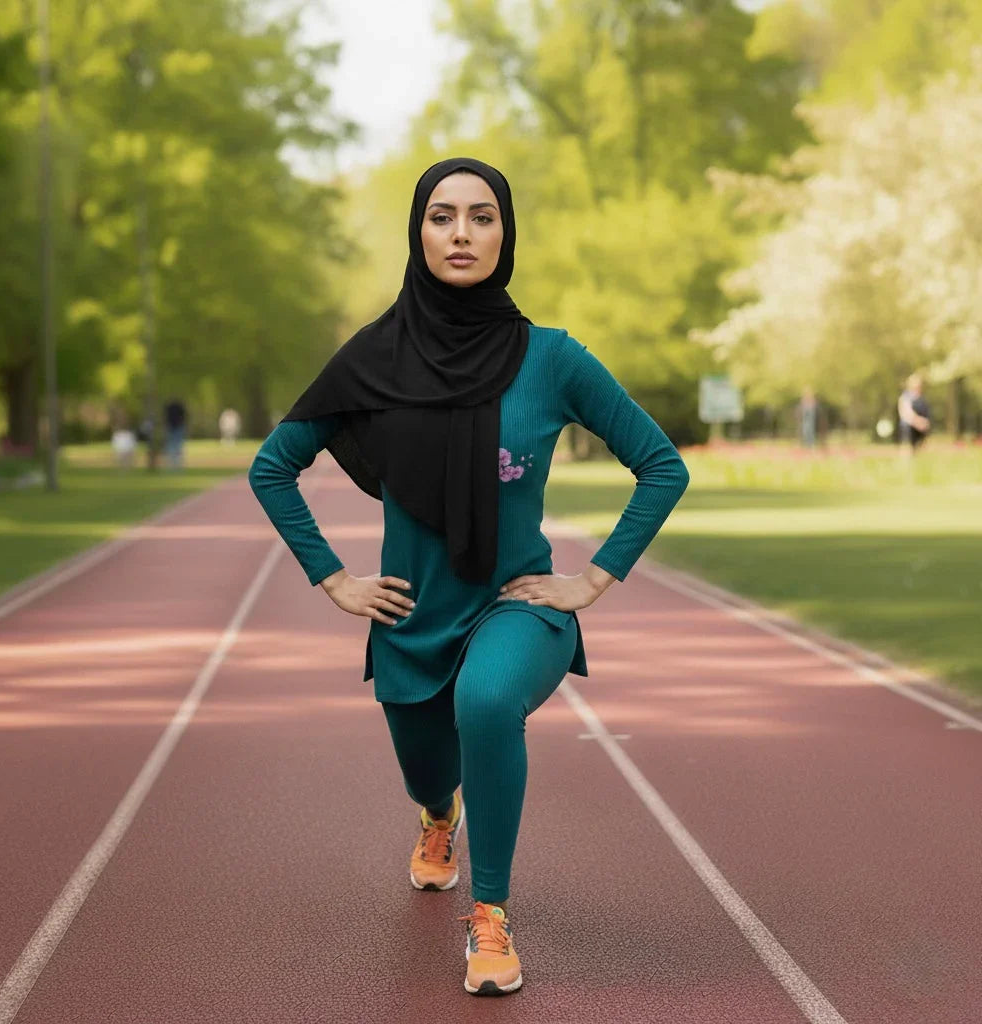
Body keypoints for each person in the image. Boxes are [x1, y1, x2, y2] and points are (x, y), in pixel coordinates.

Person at [248, 158, 690, 996]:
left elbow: (662, 466)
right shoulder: (372, 358)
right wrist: (334, 579)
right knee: (427, 769)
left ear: (505, 234)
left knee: (485, 703)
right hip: (411, 617)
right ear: (418, 232)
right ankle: (436, 814)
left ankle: (490, 915)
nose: (462, 233)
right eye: (442, 216)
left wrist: (592, 580)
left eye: (482, 217)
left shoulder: (553, 359)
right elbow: (273, 467)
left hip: (517, 606)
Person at [897, 373, 931, 458]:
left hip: (921, 426)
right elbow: (906, 414)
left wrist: (925, 422)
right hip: (909, 426)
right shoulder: (905, 397)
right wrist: (918, 422)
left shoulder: (921, 398)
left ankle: (919, 452)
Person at [163, 398, 187, 468]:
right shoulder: (178, 407)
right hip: (174, 428)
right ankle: (175, 464)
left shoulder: (170, 407)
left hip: (174, 428)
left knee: (174, 446)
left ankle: (174, 464)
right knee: (175, 446)